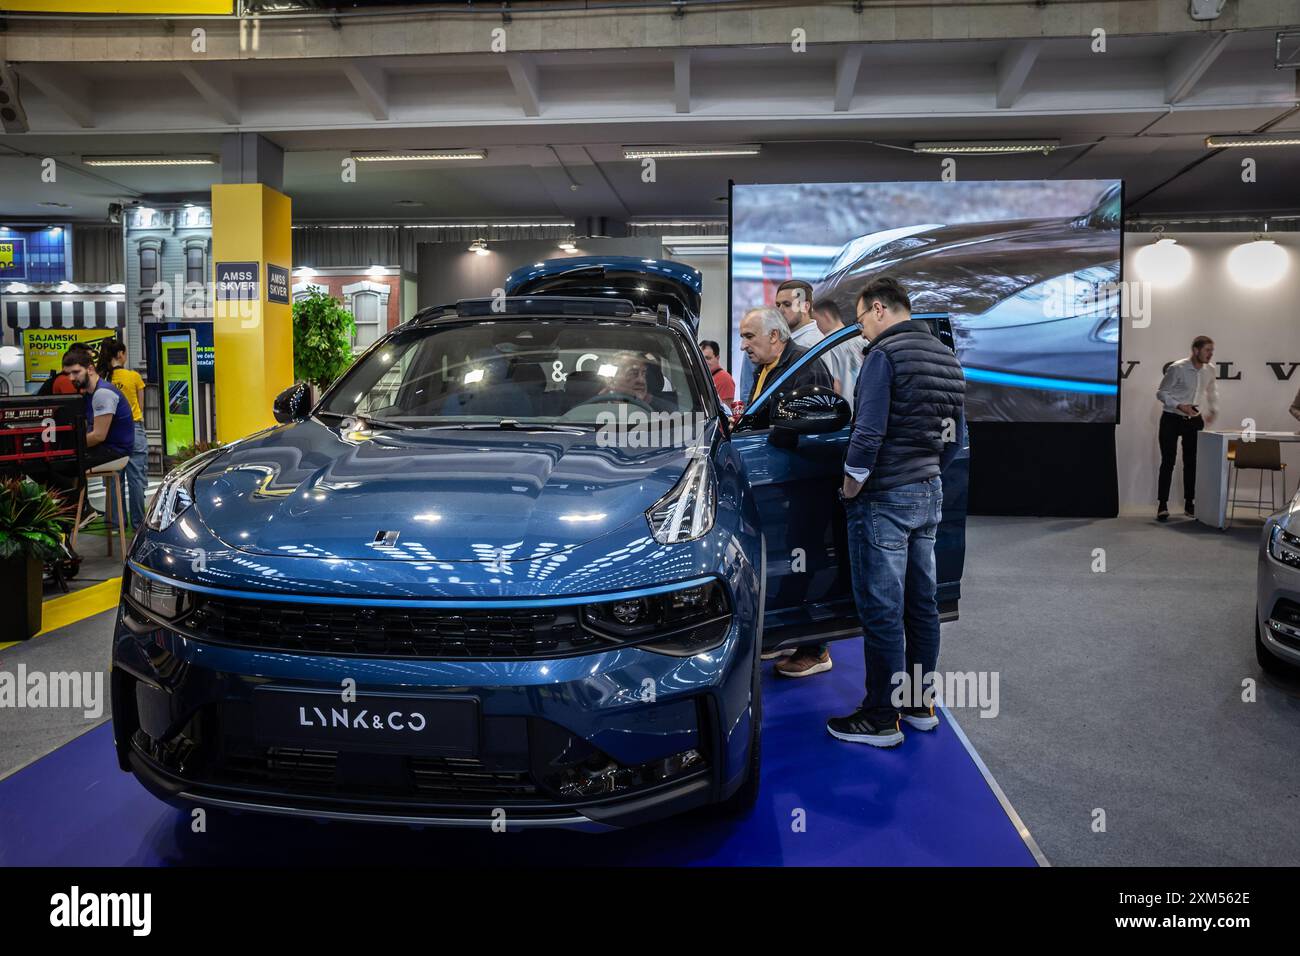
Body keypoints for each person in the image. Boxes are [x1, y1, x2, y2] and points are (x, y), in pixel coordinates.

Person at [827, 276, 965, 748]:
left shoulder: (884, 356)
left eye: (861, 319)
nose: (861, 329)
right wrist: (928, 470)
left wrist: (849, 488)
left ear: (880, 309)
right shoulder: (945, 356)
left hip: (884, 497)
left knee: (882, 611)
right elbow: (954, 438)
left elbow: (867, 434)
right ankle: (919, 705)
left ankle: (880, 719)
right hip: (928, 492)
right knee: (921, 606)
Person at [737, 305, 837, 676]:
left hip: (805, 479)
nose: (744, 344)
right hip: (779, 479)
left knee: (809, 558)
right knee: (787, 560)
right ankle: (790, 634)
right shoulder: (769, 367)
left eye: (750, 336)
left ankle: (817, 647)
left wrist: (777, 435)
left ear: (775, 336)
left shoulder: (803, 366)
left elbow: (815, 422)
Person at [48, 348, 137, 528]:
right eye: (68, 374)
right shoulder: (89, 393)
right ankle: (76, 511)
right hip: (108, 448)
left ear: (90, 369)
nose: (71, 378)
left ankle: (79, 512)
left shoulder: (102, 393)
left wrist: (70, 447)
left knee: (57, 465)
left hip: (116, 452)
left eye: (75, 372)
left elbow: (98, 436)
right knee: (58, 462)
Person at [1155, 335, 1218, 522]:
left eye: (1212, 351)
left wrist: (1214, 409)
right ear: (1195, 350)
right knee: (1168, 461)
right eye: (1207, 350)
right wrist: (1179, 405)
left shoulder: (1210, 370)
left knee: (1192, 462)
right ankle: (1162, 505)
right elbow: (1161, 392)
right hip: (1171, 418)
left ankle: (1190, 504)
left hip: (1194, 418)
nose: (1210, 354)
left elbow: (1212, 390)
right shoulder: (1177, 368)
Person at [97, 339, 149, 530]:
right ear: (120, 354)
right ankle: (138, 524)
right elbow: (140, 408)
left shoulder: (101, 378)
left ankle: (116, 523)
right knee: (136, 479)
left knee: (113, 479)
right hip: (133, 429)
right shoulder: (133, 376)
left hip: (109, 433)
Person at [812, 297, 864, 409]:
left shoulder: (827, 345)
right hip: (865, 409)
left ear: (826, 316)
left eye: (815, 320)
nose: (815, 325)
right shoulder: (862, 338)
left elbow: (835, 386)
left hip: (845, 414)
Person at [699, 340, 735, 406]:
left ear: (717, 358)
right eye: (701, 358)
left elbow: (725, 412)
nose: (704, 362)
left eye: (708, 358)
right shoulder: (705, 376)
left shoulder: (725, 379)